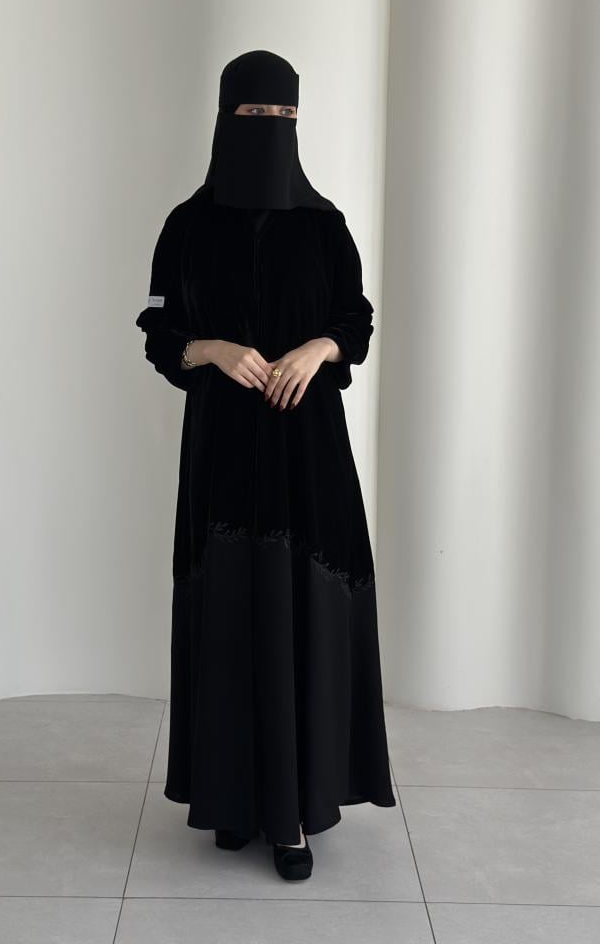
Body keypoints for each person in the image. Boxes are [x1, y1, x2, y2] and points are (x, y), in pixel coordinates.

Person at [135, 50, 396, 881]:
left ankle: (295, 817)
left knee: (300, 615)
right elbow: (159, 331)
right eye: (254, 116)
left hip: (307, 452)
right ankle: (233, 800)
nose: (271, 130)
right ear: (225, 120)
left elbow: (354, 319)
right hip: (222, 453)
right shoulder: (188, 225)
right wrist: (212, 348)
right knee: (230, 611)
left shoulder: (324, 225)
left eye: (284, 117)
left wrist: (318, 349)